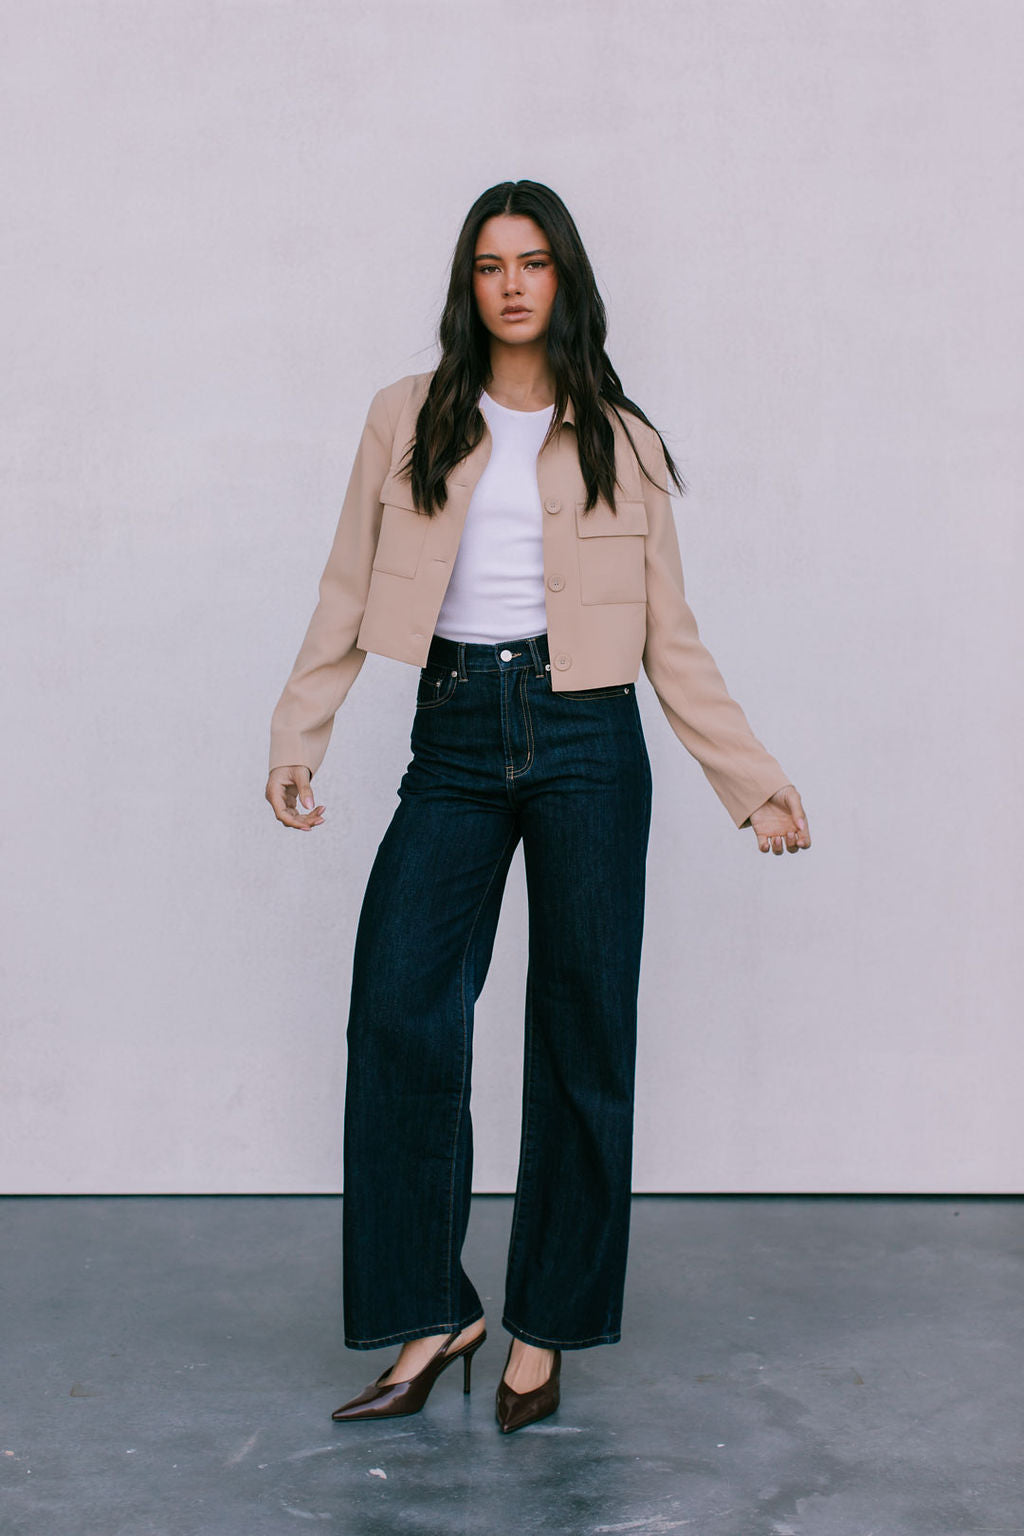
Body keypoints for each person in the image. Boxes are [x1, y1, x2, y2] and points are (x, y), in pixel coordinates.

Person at [264, 179, 811, 1434]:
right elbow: (346, 584)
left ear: (565, 280)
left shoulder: (621, 437)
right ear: (468, 285)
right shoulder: (405, 418)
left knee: (581, 1037)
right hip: (452, 729)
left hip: (587, 738)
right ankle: (429, 1308)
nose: (511, 283)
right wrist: (301, 730)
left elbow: (672, 639)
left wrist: (752, 781)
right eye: (489, 264)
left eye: (534, 262)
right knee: (401, 1009)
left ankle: (545, 1329)